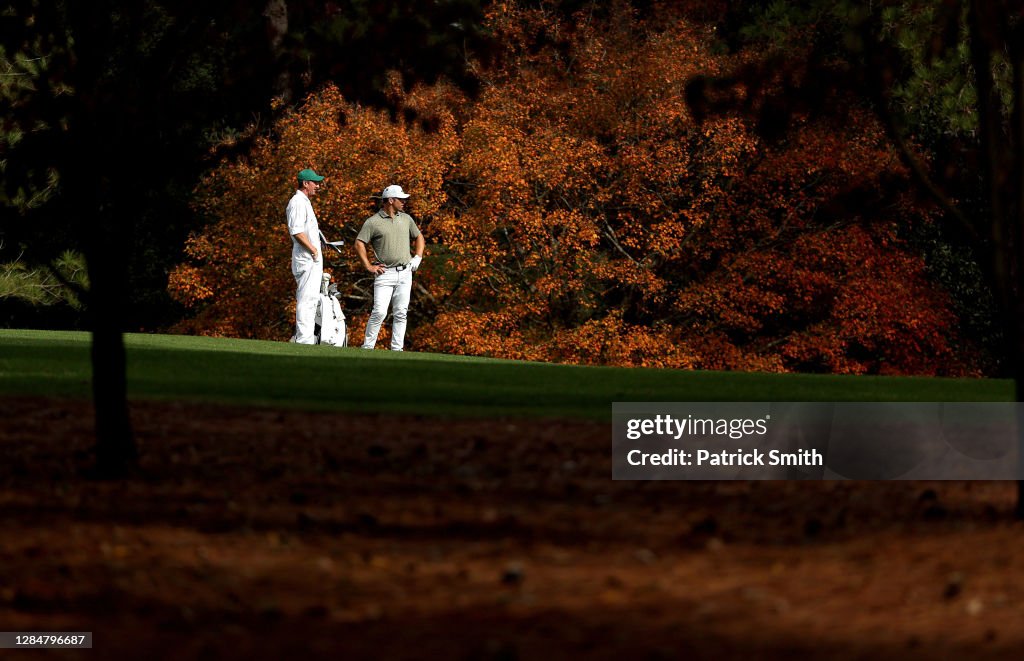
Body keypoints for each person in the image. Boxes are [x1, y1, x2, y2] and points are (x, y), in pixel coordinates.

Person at [355, 184, 425, 350]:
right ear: (391, 200)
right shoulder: (373, 222)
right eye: (401, 199)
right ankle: (368, 347)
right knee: (379, 312)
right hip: (384, 273)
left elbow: (419, 237)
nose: (404, 202)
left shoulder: (406, 218)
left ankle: (397, 349)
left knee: (401, 312)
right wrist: (368, 266)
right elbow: (359, 243)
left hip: (405, 272)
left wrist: (418, 257)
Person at [287, 168, 325, 344]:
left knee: (311, 298)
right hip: (306, 257)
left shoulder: (304, 202)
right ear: (305, 183)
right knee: (306, 298)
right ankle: (303, 339)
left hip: (310, 257)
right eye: (314, 182)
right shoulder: (297, 202)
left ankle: (307, 337)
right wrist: (313, 249)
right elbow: (296, 231)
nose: (317, 185)